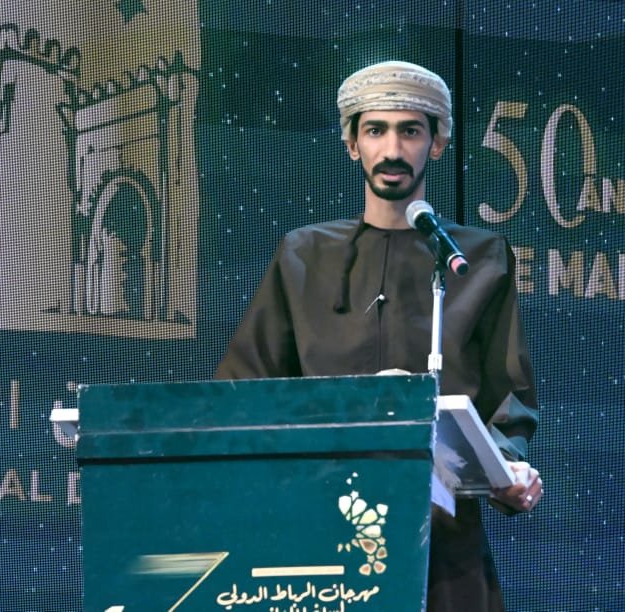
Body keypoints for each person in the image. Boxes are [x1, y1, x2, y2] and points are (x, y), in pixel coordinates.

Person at [214, 60, 542, 611]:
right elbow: (244, 394)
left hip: (442, 545)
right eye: (375, 130)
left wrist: (509, 467)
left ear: (437, 143)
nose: (393, 149)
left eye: (410, 130)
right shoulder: (304, 255)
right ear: (352, 144)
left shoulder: (477, 259)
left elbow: (507, 403)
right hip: (317, 534)